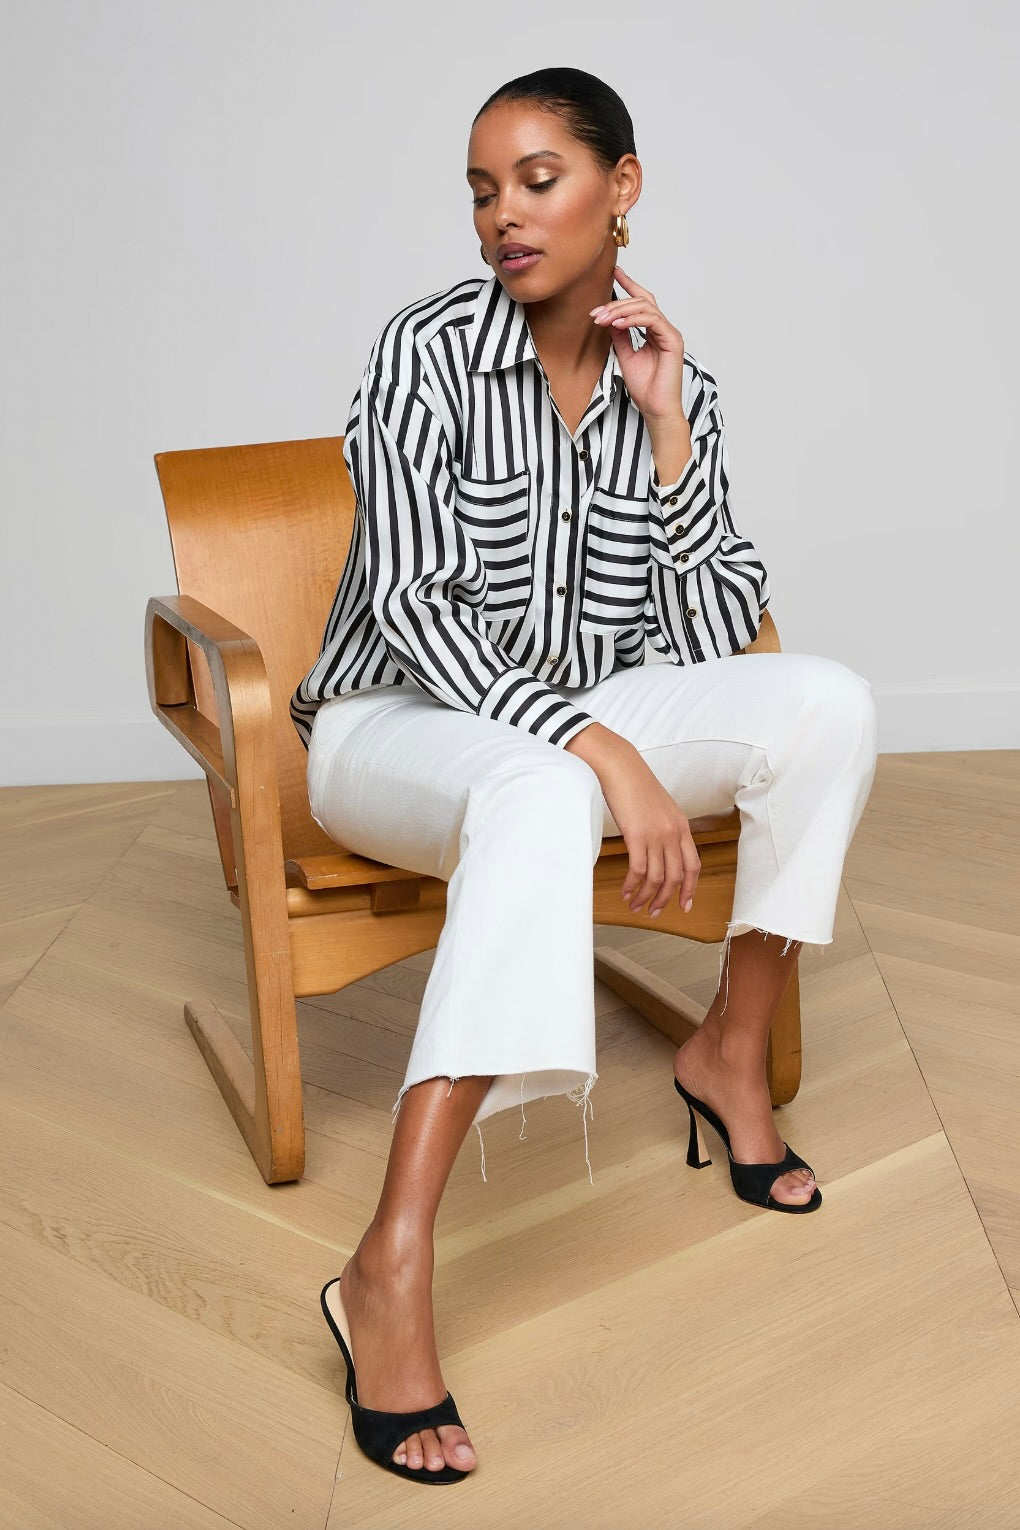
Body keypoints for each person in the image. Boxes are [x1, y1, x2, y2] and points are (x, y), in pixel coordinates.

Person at [293, 67, 879, 1485]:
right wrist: (601, 746)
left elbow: (712, 631)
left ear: (623, 188)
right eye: (482, 190)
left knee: (829, 703)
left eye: (538, 180)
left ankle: (729, 1050)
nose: (503, 214)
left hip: (572, 710)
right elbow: (416, 608)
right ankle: (389, 1259)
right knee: (543, 789)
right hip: (394, 721)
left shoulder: (676, 379)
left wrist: (669, 433)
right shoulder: (425, 353)